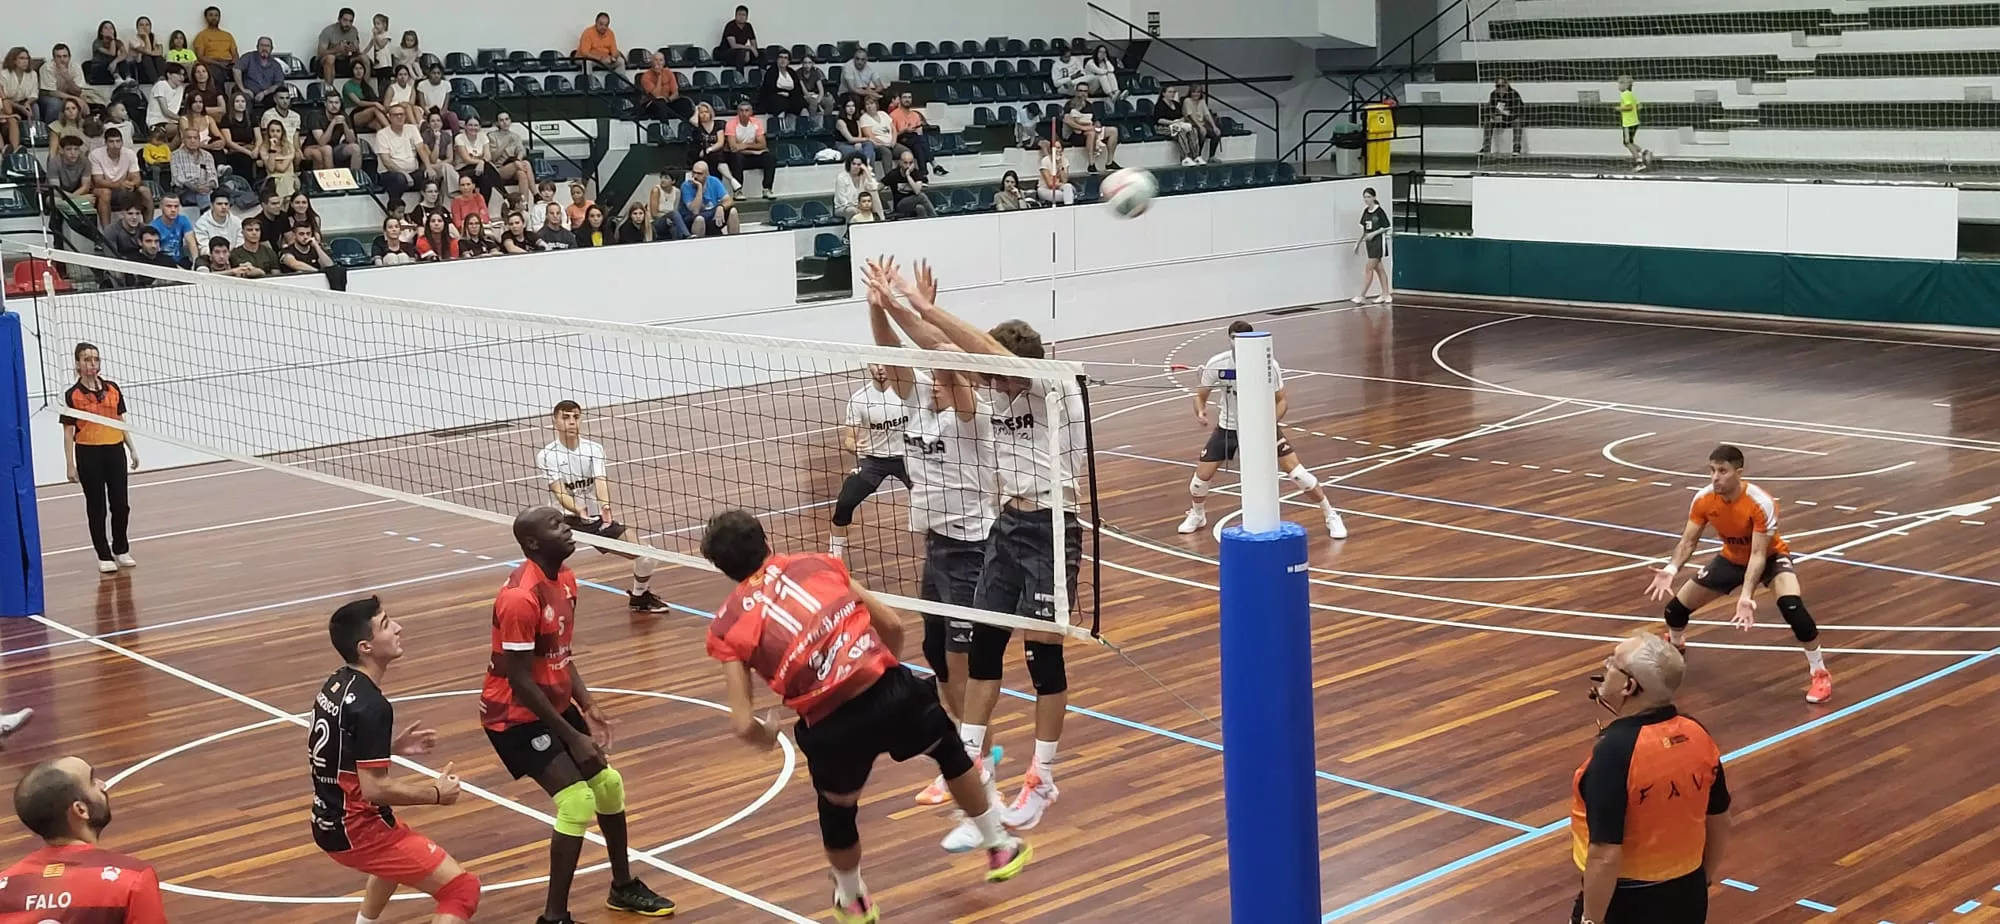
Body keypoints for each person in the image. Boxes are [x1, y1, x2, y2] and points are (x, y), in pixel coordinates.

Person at [699, 509, 1031, 924]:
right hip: (886, 690)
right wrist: (881, 667)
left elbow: (742, 723)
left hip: (830, 727)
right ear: (766, 540)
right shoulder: (816, 563)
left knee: (838, 811)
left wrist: (766, 736)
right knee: (949, 751)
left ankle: (853, 897)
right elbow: (891, 624)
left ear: (722, 569)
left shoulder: (726, 626)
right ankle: (997, 844)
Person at [867, 260, 1082, 841]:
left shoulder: (1048, 386)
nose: (987, 383)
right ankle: (973, 786)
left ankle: (1042, 776)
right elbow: (941, 348)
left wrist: (924, 303)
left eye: (993, 374)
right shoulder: (989, 399)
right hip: (1006, 531)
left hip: (1051, 526)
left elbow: (980, 351)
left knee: (1044, 658)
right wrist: (896, 305)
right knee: (984, 651)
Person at [482, 506, 676, 923]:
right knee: (577, 800)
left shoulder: (566, 580)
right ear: (533, 543)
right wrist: (572, 736)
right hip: (512, 715)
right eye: (555, 525)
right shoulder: (520, 597)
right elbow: (520, 680)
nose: (567, 529)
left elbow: (559, 654)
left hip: (550, 703)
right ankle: (554, 917)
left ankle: (623, 887)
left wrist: (588, 707)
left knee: (608, 784)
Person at [860, 259, 1003, 805]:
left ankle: (970, 760)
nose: (935, 379)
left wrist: (915, 309)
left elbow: (944, 363)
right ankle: (965, 748)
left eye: (944, 372)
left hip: (971, 549)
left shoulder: (971, 413)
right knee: (939, 657)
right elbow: (891, 356)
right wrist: (878, 305)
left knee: (965, 661)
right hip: (935, 548)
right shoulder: (918, 401)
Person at [311, 596, 482, 924]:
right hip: (357, 831)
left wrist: (387, 748)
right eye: (387, 624)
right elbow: (375, 790)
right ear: (366, 647)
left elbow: (338, 747)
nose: (399, 627)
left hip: (327, 819)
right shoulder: (372, 706)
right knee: (462, 890)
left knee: (394, 856)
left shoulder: (336, 684)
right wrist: (436, 794)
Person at [1647, 444, 1833, 704]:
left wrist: (1746, 595)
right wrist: (1670, 569)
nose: (1715, 477)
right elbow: (1688, 542)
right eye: (1711, 470)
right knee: (1674, 612)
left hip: (1770, 558)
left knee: (1793, 608)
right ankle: (1676, 647)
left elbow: (1758, 555)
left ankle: (1819, 673)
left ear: (1739, 473)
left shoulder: (1760, 502)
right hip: (1731, 558)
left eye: (1722, 471)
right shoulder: (1703, 499)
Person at [1573, 631, 1731, 924]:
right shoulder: (1698, 734)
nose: (1605, 668)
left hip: (1626, 902)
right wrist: (1700, 882)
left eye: (1612, 664)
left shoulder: (1613, 754)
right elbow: (1720, 820)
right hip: (1688, 894)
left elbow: (1605, 854)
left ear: (1629, 686)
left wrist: (1590, 920)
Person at [1176, 321, 1350, 540]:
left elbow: (1282, 401)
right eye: (1233, 339)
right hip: (1228, 427)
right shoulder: (1218, 364)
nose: (1236, 344)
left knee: (1298, 474)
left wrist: (1267, 424)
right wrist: (1200, 412)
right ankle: (1198, 514)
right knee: (1200, 480)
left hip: (1261, 427)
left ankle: (1330, 514)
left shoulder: (1269, 364)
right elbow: (1200, 395)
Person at [537, 400, 672, 613]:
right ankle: (539, 606)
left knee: (648, 555)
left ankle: (640, 597)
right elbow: (559, 490)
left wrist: (605, 506)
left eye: (576, 417)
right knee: (542, 567)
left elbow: (600, 480)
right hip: (562, 520)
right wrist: (577, 509)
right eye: (565, 417)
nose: (572, 422)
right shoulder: (547, 455)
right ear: (554, 421)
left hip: (594, 518)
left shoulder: (594, 449)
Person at [0, 756, 166, 921]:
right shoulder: (131, 879)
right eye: (92, 781)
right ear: (81, 810)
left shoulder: (4, 886)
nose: (103, 785)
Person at [61, 343, 139, 575]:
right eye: (86, 359)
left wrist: (132, 449)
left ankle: (121, 549)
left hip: (115, 450)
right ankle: (103, 555)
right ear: (77, 364)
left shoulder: (112, 389)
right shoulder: (71, 395)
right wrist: (69, 464)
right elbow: (68, 432)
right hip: (89, 453)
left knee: (121, 504)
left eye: (95, 359)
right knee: (97, 507)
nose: (92, 364)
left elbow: (120, 421)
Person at [828, 364, 913, 560]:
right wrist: (854, 447)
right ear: (868, 366)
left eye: (884, 363)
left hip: (908, 457)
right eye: (876, 364)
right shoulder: (859, 400)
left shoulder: (908, 392)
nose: (880, 368)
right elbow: (849, 438)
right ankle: (835, 557)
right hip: (874, 461)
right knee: (845, 502)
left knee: (935, 500)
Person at [1352, 186, 1392, 304]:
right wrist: (1358, 243)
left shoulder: (1379, 211)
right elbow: (1364, 230)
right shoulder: (1365, 211)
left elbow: (1386, 226)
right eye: (1365, 197)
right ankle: (1385, 293)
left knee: (1368, 268)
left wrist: (1374, 233)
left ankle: (1362, 295)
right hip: (1369, 244)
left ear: (1374, 197)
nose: (1366, 199)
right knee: (1379, 269)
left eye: (1369, 197)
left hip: (1378, 243)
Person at [1616, 75, 1654, 172]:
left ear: (1626, 85)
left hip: (1628, 123)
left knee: (1627, 143)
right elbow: (1639, 106)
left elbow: (1629, 107)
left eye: (1620, 83)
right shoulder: (1631, 95)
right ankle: (1644, 152)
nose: (1618, 86)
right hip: (1635, 121)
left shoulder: (1625, 94)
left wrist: (1619, 108)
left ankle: (1639, 163)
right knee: (1629, 143)